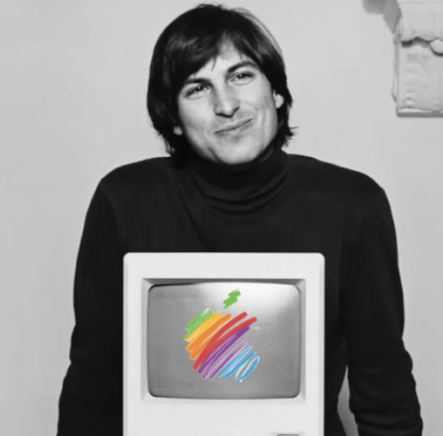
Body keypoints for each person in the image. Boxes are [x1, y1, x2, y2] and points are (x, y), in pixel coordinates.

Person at [57, 4, 424, 436]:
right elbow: (92, 382)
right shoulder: (124, 201)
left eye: (241, 75)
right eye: (197, 88)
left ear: (277, 92)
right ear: (174, 119)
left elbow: (384, 386)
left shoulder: (352, 204)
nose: (226, 105)